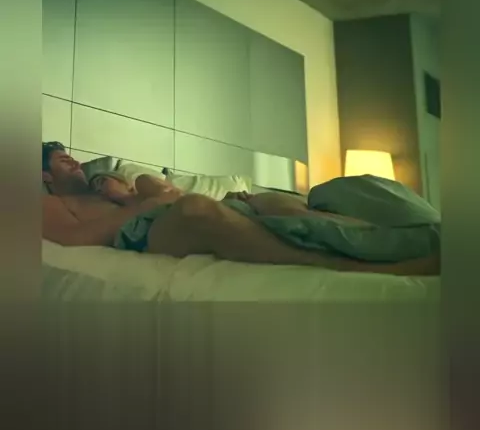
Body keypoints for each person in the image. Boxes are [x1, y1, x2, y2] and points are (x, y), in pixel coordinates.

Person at [42, 142, 439, 275]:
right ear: (44, 176)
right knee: (197, 210)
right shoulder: (49, 202)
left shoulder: (114, 185)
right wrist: (147, 202)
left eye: (72, 156)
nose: (75, 161)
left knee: (281, 202)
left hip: (171, 207)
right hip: (144, 231)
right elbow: (74, 238)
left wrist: (131, 191)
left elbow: (164, 192)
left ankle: (411, 239)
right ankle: (368, 267)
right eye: (63, 161)